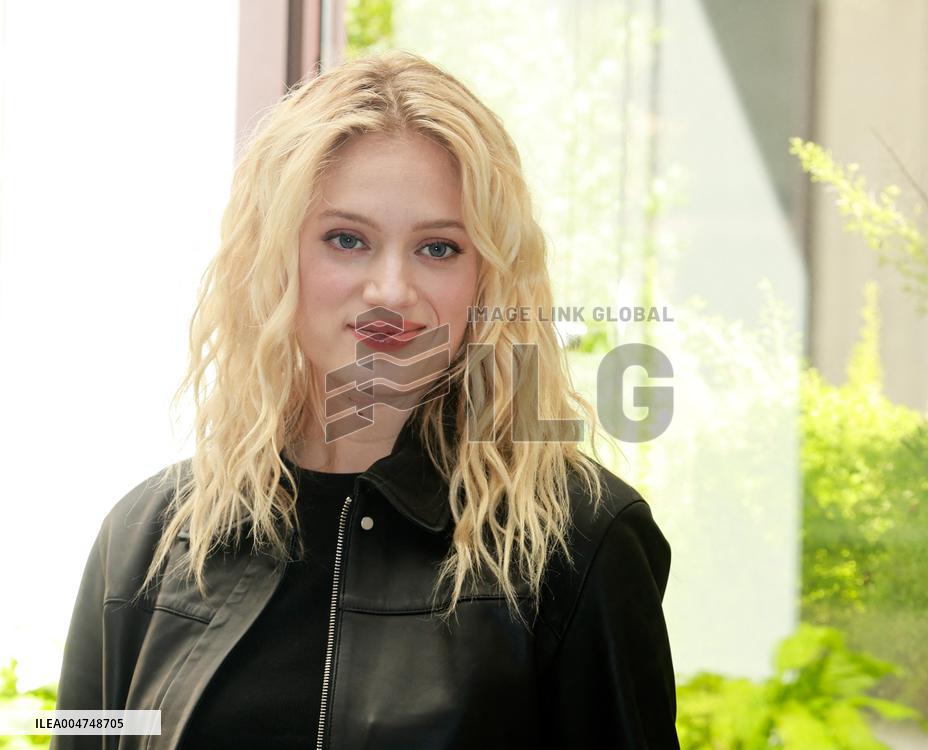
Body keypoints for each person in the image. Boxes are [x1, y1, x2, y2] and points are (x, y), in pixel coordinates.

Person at [52, 49, 680, 749]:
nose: (389, 290)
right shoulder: (145, 539)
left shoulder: (576, 541)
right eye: (346, 240)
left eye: (438, 249)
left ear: (488, 280)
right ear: (275, 255)